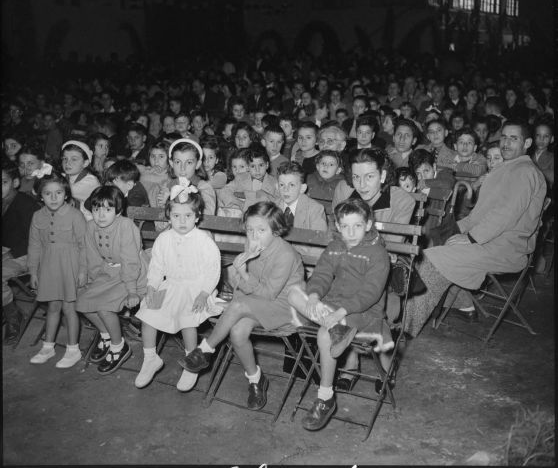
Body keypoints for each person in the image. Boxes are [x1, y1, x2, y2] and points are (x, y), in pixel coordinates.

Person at [404, 120, 547, 335]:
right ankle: (453, 305)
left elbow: (505, 215)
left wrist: (471, 238)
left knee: (430, 259)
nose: (506, 143)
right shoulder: (505, 170)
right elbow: (479, 214)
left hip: (504, 249)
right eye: (504, 137)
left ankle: (406, 328)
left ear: (527, 143)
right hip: (490, 241)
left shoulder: (524, 172)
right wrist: (452, 229)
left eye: (513, 138)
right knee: (433, 240)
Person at [180, 201, 305, 410]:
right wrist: (240, 279)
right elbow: (241, 286)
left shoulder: (285, 254)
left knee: (237, 306)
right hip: (257, 303)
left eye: (261, 230)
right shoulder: (252, 245)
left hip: (286, 305)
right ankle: (256, 380)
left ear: (276, 230)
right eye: (249, 230)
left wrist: (243, 273)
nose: (254, 235)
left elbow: (269, 293)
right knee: (237, 332)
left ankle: (205, 349)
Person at [287, 198, 392, 429]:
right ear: (337, 226)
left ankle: (325, 398)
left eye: (357, 225)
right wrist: (314, 295)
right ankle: (334, 326)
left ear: (368, 224)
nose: (351, 232)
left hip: (363, 313)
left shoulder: (377, 254)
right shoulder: (335, 247)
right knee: (294, 294)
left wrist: (340, 312)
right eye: (345, 226)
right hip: (332, 307)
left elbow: (371, 293)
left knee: (324, 335)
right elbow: (322, 275)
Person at [134, 179, 222, 391]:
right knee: (148, 315)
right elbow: (156, 267)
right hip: (170, 285)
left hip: (196, 288)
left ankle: (192, 363)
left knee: (187, 320)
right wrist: (152, 286)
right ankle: (150, 358)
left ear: (197, 216)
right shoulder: (164, 239)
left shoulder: (204, 240)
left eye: (188, 216)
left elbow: (213, 270)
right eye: (176, 216)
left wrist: (203, 293)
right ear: (169, 216)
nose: (182, 221)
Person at [77, 186, 147, 374]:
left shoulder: (126, 226)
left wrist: (132, 290)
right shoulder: (91, 226)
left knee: (104, 307)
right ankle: (107, 335)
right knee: (84, 302)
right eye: (96, 209)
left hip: (132, 275)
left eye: (107, 209)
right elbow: (91, 256)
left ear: (118, 211)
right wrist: (91, 279)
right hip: (108, 273)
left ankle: (119, 346)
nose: (100, 215)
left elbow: (130, 260)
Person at [27, 168, 87, 368]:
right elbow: (34, 246)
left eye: (58, 193)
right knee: (53, 306)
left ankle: (73, 349)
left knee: (70, 308)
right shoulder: (37, 216)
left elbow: (84, 246)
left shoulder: (75, 215)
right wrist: (33, 272)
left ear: (66, 194)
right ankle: (48, 346)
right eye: (47, 193)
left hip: (70, 266)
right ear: (40, 195)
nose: (53, 198)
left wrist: (82, 271)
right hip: (49, 267)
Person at [2, 159, 40, 344]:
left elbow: (34, 238)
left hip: (26, 252)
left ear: (15, 182)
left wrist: (8, 255)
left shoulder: (25, 203)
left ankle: (14, 316)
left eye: (3, 182)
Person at [154, 139, 216, 216]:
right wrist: (163, 206)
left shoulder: (204, 188)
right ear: (171, 163)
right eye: (177, 162)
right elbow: (159, 226)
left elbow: (206, 220)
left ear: (198, 164)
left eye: (189, 162)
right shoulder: (166, 187)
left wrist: (171, 201)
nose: (182, 168)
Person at [61, 140, 100, 218]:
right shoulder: (64, 176)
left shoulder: (91, 181)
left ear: (85, 163)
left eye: (74, 159)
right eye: (65, 158)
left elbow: (61, 192)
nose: (67, 163)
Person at [306, 150, 345, 229]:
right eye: (323, 163)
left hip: (330, 220)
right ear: (317, 166)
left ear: (338, 170)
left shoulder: (341, 185)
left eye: (331, 164)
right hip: (309, 217)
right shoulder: (308, 179)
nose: (326, 166)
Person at [531, 120, 554, 189]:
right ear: (533, 137)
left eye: (546, 136)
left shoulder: (552, 157)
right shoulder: (527, 154)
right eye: (538, 135)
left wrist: (536, 168)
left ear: (552, 139)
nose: (542, 139)